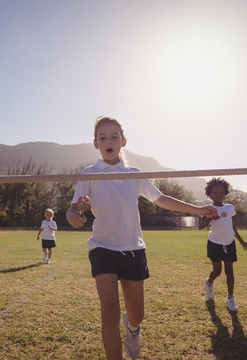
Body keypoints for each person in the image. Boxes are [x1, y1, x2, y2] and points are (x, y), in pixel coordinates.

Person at [66, 116, 218, 360]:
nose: (108, 141)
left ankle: (133, 329)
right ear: (95, 143)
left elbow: (162, 199)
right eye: (102, 137)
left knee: (137, 314)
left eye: (114, 136)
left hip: (134, 249)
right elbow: (74, 209)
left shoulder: (134, 173)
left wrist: (198, 209)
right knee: (109, 311)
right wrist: (75, 215)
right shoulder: (90, 173)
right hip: (102, 248)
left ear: (123, 141)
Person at [201, 178, 247, 312]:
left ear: (225, 193)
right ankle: (209, 282)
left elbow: (232, 226)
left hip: (229, 243)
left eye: (221, 192)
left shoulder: (230, 208)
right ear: (210, 194)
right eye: (215, 192)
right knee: (217, 271)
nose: (218, 194)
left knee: (229, 271)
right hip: (214, 243)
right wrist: (210, 216)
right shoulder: (208, 209)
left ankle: (230, 298)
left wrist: (241, 240)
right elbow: (201, 226)